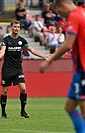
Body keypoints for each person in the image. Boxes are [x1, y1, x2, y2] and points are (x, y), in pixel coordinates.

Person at [40, 0, 85, 133]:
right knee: (70, 106)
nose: (61, 16)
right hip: (79, 70)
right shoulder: (82, 12)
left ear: (63, 6)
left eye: (59, 12)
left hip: (83, 69)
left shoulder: (75, 16)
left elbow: (68, 44)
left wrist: (49, 60)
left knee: (83, 109)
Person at [0, 20, 49, 119]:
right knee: (5, 91)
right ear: (11, 28)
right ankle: (3, 113)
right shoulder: (6, 40)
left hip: (18, 68)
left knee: (23, 89)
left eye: (18, 27)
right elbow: (2, 50)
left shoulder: (22, 40)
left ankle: (23, 111)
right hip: (7, 69)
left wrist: (44, 56)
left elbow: (32, 50)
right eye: (15, 26)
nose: (16, 28)